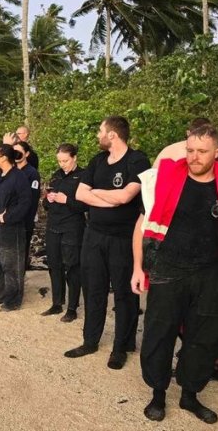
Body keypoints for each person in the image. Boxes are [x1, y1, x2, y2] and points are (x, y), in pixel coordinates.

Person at [131, 125, 218, 423]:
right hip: (167, 271)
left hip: (209, 275)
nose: (193, 157)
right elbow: (141, 226)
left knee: (203, 338)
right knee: (158, 334)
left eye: (202, 152)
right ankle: (158, 394)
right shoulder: (164, 180)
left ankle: (190, 395)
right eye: (190, 150)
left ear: (217, 153)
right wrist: (138, 268)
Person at [64, 116, 150, 370]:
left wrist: (97, 194)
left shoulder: (138, 160)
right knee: (93, 289)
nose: (97, 135)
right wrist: (108, 198)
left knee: (124, 295)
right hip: (94, 235)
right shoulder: (98, 160)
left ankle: (121, 347)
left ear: (112, 134)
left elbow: (126, 197)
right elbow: (80, 194)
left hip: (123, 238)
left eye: (100, 131)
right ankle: (90, 341)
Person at [0, 145, 30, 311]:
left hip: (11, 228)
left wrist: (8, 216)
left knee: (10, 265)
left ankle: (12, 300)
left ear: (3, 158)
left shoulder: (19, 177)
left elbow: (25, 203)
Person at [42, 143, 87, 322]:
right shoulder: (56, 176)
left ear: (74, 158)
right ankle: (57, 302)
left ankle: (72, 307)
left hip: (72, 227)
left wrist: (66, 199)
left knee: (72, 267)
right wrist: (48, 199)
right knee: (54, 265)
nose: (62, 164)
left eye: (65, 160)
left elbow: (85, 205)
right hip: (53, 225)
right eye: (59, 161)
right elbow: (46, 205)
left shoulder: (83, 176)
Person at [13, 142, 40, 269]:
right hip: (10, 219)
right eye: (14, 151)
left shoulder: (32, 172)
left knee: (21, 252)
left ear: (27, 154)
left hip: (24, 220)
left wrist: (27, 220)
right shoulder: (11, 171)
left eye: (19, 152)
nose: (16, 155)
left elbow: (33, 200)